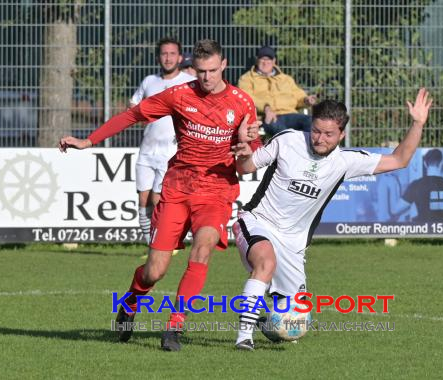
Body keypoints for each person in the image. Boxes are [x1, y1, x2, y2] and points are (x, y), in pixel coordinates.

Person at [59, 39, 261, 352]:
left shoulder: (242, 103)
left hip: (217, 191)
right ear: (193, 68)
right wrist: (89, 140)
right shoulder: (179, 94)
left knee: (204, 247)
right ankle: (131, 300)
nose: (206, 77)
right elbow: (132, 115)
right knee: (155, 271)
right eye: (201, 71)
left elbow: (248, 165)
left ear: (224, 65)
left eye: (212, 70)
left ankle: (174, 326)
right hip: (178, 188)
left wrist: (246, 151)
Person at [230, 88, 432, 350]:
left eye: (328, 134)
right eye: (316, 130)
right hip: (257, 220)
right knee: (265, 262)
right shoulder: (288, 140)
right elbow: (244, 167)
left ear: (341, 134)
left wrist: (417, 123)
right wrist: (245, 152)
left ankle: (265, 322)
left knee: (295, 316)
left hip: (294, 243)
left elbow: (400, 159)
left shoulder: (346, 161)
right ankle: (243, 337)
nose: (319, 139)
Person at [131, 37, 195, 244]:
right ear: (159, 57)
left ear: (180, 57)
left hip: (170, 152)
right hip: (147, 149)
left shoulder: (188, 82)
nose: (168, 58)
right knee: (143, 199)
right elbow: (133, 106)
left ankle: (162, 242)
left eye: (172, 54)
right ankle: (150, 244)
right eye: (164, 54)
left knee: (158, 199)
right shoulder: (150, 81)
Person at [238, 45, 317, 136]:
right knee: (283, 132)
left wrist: (306, 99)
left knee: (312, 122)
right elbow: (247, 99)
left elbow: (298, 95)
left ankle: (306, 149)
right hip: (266, 117)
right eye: (263, 59)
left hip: (290, 114)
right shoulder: (246, 79)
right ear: (257, 60)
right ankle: (294, 148)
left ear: (274, 61)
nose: (265, 62)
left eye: (269, 59)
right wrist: (266, 107)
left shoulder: (286, 79)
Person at [402, 148, 443, 222]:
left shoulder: (416, 185)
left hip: (424, 231)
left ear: (425, 163)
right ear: (441, 163)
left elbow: (395, 211)